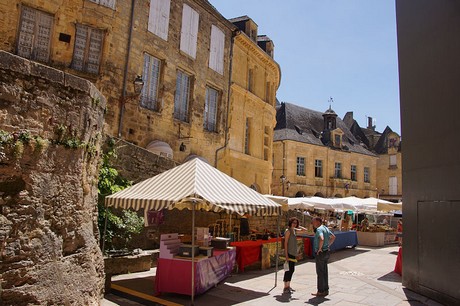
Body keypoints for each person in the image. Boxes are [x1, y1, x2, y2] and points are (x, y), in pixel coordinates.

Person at [312, 217, 336, 297]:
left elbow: (321, 239)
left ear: (318, 222)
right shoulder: (325, 228)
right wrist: (328, 245)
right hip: (326, 251)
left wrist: (319, 248)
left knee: (320, 272)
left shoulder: (319, 229)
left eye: (314, 221)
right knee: (325, 271)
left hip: (321, 253)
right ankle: (325, 289)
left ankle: (320, 291)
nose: (313, 223)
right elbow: (333, 237)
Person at [282, 217, 307, 294]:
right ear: (290, 223)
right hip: (289, 252)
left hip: (293, 252)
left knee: (292, 270)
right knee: (288, 270)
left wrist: (298, 226)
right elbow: (285, 243)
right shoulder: (288, 231)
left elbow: (305, 230)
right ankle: (285, 286)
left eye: (296, 223)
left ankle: (288, 285)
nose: (294, 224)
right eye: (293, 222)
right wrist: (286, 255)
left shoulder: (294, 230)